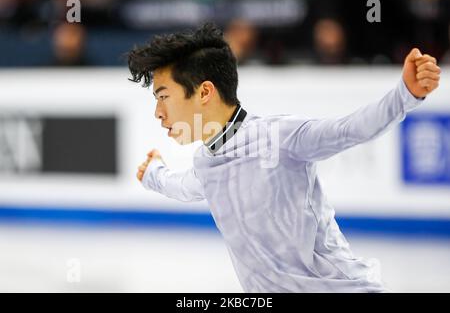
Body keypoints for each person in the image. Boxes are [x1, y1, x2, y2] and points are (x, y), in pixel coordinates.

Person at [127, 23, 440, 292]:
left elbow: (350, 129)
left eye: (164, 97)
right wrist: (153, 172)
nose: (158, 112)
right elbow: (182, 186)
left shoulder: (279, 136)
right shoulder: (206, 163)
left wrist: (406, 94)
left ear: (204, 92)